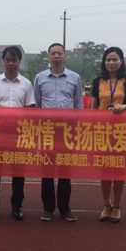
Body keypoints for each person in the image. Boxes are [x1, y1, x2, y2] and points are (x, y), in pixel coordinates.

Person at [0, 46, 36, 221]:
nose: (11, 63)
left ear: (19, 62)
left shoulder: (26, 84)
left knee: (18, 172)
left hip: (18, 134)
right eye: (8, 60)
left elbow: (30, 109)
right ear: (3, 61)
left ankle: (17, 205)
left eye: (14, 60)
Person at [34, 43, 83, 222]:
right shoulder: (40, 78)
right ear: (48, 56)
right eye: (53, 53)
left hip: (67, 132)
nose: (56, 56)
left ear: (64, 56)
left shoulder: (74, 77)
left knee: (65, 172)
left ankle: (64, 208)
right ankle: (48, 208)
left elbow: (78, 104)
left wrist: (77, 129)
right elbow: (36, 104)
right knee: (47, 171)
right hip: (46, 131)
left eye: (59, 53)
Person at [91, 47, 126, 223]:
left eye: (115, 59)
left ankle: (117, 205)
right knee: (104, 169)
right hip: (102, 131)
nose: (111, 63)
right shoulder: (97, 82)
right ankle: (106, 204)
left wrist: (124, 106)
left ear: (121, 61)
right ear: (104, 62)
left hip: (122, 131)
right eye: (108, 60)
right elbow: (94, 108)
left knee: (119, 168)